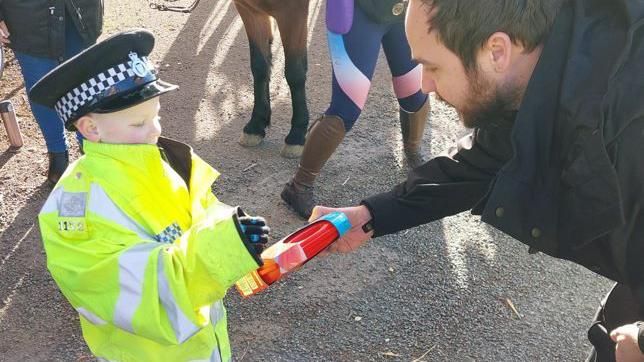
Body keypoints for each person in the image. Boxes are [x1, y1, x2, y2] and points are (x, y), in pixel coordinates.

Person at [312, 0, 644, 360]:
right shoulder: (552, 62)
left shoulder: (627, 123)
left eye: (432, 66)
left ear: (496, 51)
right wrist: (371, 215)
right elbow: (486, 159)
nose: (425, 84)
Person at [30, 29, 270, 361]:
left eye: (156, 115)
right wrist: (219, 250)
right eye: (138, 123)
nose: (155, 130)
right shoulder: (74, 211)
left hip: (205, 344)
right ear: (90, 129)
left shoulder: (167, 158)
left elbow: (201, 209)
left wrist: (231, 233)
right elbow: (131, 294)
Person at [280, 0, 430, 218]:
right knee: (347, 108)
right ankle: (299, 186)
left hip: (403, 12)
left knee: (414, 93)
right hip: (358, 15)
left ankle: (413, 151)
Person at [0, 0, 103, 185]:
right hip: (25, 17)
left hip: (78, 10)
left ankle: (91, 147)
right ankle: (57, 153)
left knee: (83, 82)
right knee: (40, 85)